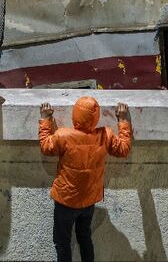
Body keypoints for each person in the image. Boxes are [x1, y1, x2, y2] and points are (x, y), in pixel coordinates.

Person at [39, 98, 132, 262]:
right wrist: (123, 120)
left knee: (62, 242)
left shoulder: (63, 136)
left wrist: (46, 119)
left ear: (75, 115)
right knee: (84, 238)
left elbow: (46, 146)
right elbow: (123, 149)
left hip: (65, 202)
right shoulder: (105, 135)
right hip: (88, 202)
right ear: (95, 117)